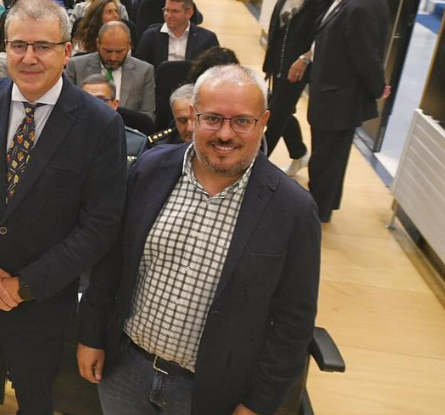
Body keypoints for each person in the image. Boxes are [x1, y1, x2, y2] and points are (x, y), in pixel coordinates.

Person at [77, 64, 321, 415]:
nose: (225, 134)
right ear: (192, 116)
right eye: (212, 119)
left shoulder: (293, 210)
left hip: (211, 393)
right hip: (126, 370)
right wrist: (91, 335)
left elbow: (293, 323)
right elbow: (111, 263)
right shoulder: (149, 169)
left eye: (242, 121)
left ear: (263, 121)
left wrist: (258, 403)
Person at [0, 0, 126, 414]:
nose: (29, 57)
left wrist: (26, 285)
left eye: (43, 46)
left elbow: (100, 225)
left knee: (36, 402)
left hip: (41, 306)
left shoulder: (100, 124)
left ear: (67, 51)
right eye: (18, 45)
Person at [306, 0, 390, 223]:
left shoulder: (361, 5)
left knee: (326, 160)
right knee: (329, 156)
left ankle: (316, 211)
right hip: (332, 92)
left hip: (339, 98)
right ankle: (324, 204)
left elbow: (367, 56)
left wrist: (378, 87)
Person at [262, 0, 331, 177]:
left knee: (274, 115)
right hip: (276, 64)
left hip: (298, 68)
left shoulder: (322, 1)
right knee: (283, 111)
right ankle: (299, 154)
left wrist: (305, 58)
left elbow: (320, 37)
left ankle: (256, 167)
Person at [67, 21, 156, 119]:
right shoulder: (76, 66)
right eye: (108, 51)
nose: (113, 57)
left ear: (129, 45)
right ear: (98, 44)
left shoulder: (144, 71)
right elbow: (67, 108)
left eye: (119, 52)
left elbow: (148, 117)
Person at [136, 0, 219, 68]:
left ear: (189, 13)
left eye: (175, 11)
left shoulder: (207, 39)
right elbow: (139, 70)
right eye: (166, 10)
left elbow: (215, 71)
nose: (168, 15)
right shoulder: (150, 36)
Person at [78, 74, 148, 162]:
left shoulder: (136, 142)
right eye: (87, 99)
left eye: (101, 100)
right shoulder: (68, 135)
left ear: (115, 104)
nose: (93, 106)